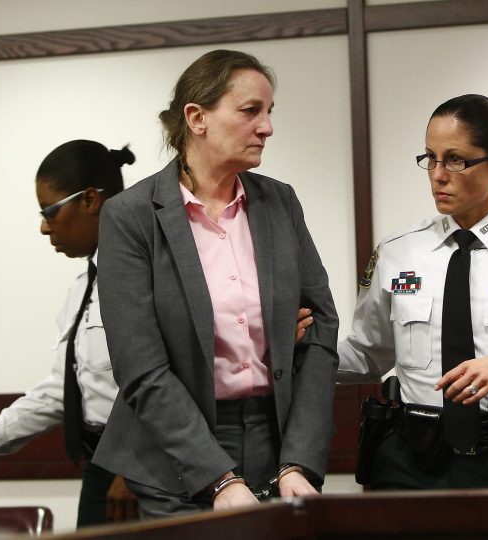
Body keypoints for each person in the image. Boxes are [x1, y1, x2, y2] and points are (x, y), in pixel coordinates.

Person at [92, 49, 340, 519]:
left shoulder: (279, 201)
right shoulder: (130, 216)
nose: (266, 127)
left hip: (278, 436)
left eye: (269, 113)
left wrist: (298, 459)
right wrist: (219, 478)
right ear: (196, 117)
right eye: (250, 111)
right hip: (177, 458)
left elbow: (322, 328)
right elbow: (141, 367)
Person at [337, 94, 488, 489]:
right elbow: (366, 356)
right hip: (408, 462)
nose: (437, 174)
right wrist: (293, 348)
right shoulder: (399, 253)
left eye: (455, 159)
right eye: (430, 157)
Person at [0, 140, 139, 527]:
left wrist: (135, 465)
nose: (43, 226)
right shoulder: (82, 289)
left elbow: (167, 379)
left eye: (50, 211)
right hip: (102, 467)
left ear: (89, 200)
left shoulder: (145, 274)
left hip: (141, 474)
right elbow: (60, 392)